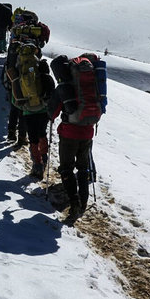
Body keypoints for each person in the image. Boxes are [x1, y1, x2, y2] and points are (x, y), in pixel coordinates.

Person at [47, 65, 95, 221]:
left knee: (66, 168)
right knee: (83, 168)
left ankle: (74, 204)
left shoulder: (65, 87)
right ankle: (83, 202)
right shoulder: (91, 85)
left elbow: (52, 112)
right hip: (87, 131)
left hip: (69, 134)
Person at [23, 59, 55, 179]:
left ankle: (37, 164)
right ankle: (44, 157)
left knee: (32, 138)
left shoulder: (29, 78)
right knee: (42, 133)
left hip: (28, 111)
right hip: (43, 112)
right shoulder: (49, 79)